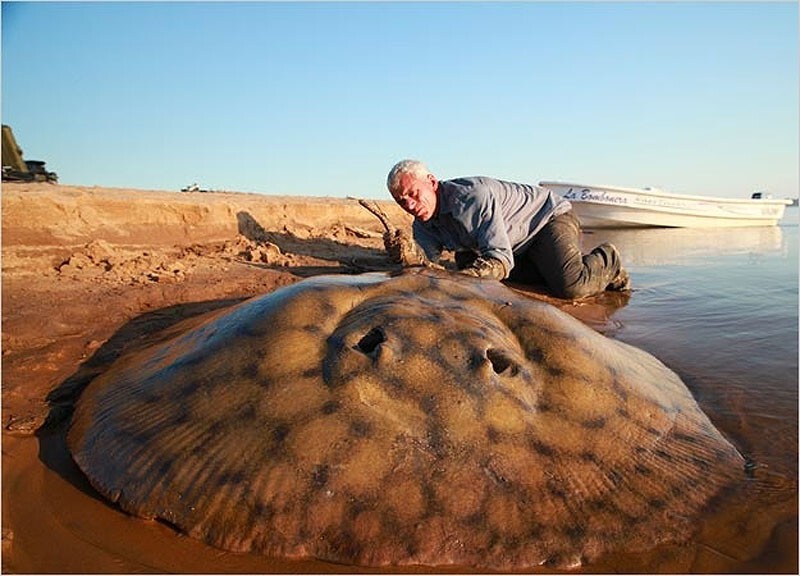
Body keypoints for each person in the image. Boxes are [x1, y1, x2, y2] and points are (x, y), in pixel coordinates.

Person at [383, 159, 630, 299]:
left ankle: (608, 260)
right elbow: (425, 267)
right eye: (402, 201)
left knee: (571, 287)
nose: (411, 205)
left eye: (414, 194)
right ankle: (547, 264)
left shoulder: (472, 198)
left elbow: (499, 261)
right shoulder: (422, 224)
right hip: (511, 240)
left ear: (432, 182)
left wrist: (464, 279)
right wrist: (406, 256)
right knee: (466, 263)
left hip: (546, 219)